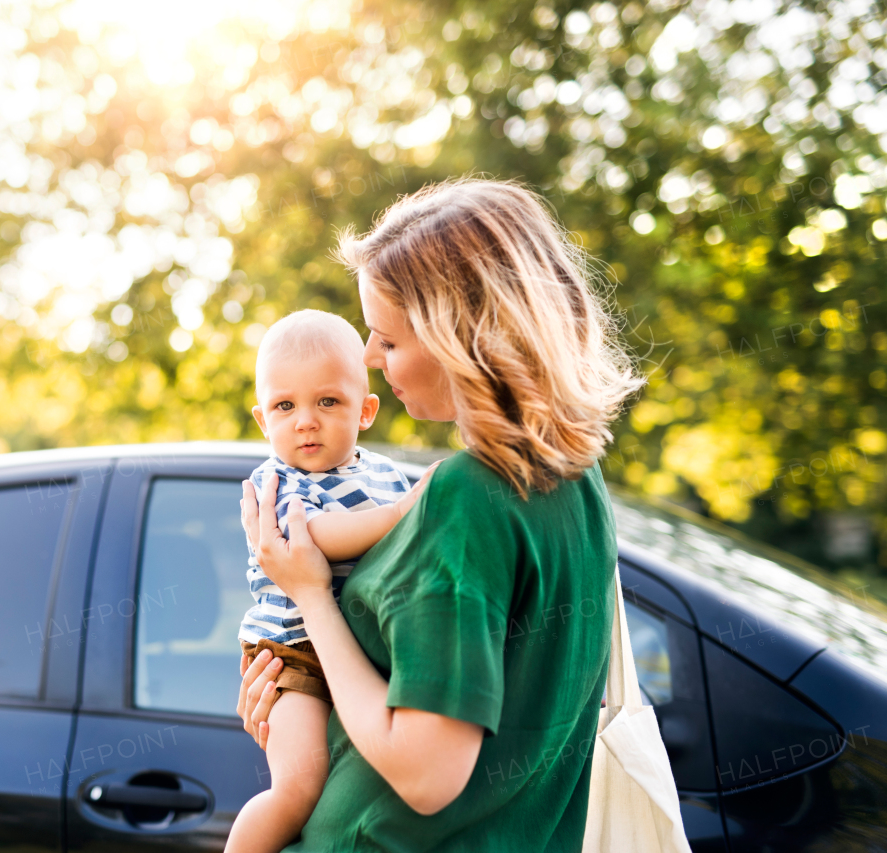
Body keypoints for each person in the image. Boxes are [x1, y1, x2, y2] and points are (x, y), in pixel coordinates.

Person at [237, 178, 646, 851]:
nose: (370, 357)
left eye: (390, 339)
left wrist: (310, 596)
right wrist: (301, 706)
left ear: (462, 336)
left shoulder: (464, 494)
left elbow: (425, 774)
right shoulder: (575, 476)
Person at [227, 309, 434, 853]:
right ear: (262, 419)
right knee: (297, 788)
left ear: (365, 411)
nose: (305, 421)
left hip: (351, 652)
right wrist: (402, 514)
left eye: (327, 401)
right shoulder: (276, 480)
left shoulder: (386, 475)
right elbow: (313, 538)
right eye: (285, 406)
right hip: (289, 652)